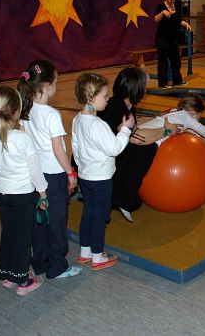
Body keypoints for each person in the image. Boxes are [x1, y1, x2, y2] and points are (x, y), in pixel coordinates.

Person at [0, 86, 62, 296]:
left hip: (2, 194)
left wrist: (1, 183)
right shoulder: (23, 139)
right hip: (22, 196)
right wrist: (43, 194)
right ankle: (23, 280)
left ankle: (9, 273)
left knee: (9, 233)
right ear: (17, 111)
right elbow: (35, 172)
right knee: (23, 237)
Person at [18, 60, 82, 279]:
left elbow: (23, 140)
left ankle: (40, 262)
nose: (56, 86)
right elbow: (58, 149)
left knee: (40, 220)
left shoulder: (26, 108)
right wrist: (70, 173)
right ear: (46, 86)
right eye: (55, 82)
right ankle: (57, 267)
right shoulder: (51, 114)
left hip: (35, 175)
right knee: (57, 222)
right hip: (53, 176)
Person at [96, 67, 181, 223]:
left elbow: (132, 133)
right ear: (135, 88)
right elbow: (135, 138)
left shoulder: (127, 106)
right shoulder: (115, 106)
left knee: (147, 145)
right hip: (100, 164)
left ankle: (122, 195)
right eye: (143, 85)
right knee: (147, 147)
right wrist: (167, 130)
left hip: (111, 155)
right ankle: (123, 198)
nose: (145, 89)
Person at [71, 73, 135, 270]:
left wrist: (81, 167)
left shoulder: (77, 119)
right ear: (91, 98)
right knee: (100, 218)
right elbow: (114, 148)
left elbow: (75, 148)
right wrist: (126, 129)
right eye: (104, 96)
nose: (108, 99)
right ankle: (98, 257)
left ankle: (85, 252)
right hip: (101, 179)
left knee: (88, 214)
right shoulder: (98, 125)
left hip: (86, 176)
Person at [137, 92, 205, 146]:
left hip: (140, 129)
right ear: (194, 112)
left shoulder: (174, 112)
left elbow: (193, 130)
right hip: (149, 140)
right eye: (199, 115)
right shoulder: (188, 118)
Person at [154, 0, 192, 89]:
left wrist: (186, 24)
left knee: (176, 60)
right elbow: (156, 19)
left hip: (173, 38)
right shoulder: (161, 6)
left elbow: (178, 20)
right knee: (163, 62)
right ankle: (163, 84)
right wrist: (163, 13)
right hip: (162, 38)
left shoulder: (176, 6)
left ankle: (177, 81)